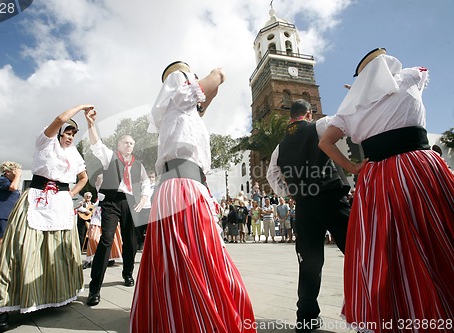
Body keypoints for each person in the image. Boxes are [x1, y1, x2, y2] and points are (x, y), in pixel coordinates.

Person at [318, 48, 454, 332]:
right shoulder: (409, 79)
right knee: (436, 233)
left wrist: (354, 167)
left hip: (380, 176)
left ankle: (401, 307)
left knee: (387, 245)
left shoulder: (350, 106)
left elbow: (326, 143)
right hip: (419, 167)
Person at [130, 61, 255, 332]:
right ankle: (194, 317)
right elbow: (213, 82)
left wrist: (209, 88)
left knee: (188, 257)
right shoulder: (178, 83)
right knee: (197, 255)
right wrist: (217, 72)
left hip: (185, 185)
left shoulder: (183, 115)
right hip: (182, 185)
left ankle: (182, 315)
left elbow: (203, 103)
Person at [0, 105, 92, 330]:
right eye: (67, 132)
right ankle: (5, 306)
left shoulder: (73, 154)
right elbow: (58, 118)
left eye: (74, 134)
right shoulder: (45, 142)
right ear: (58, 132)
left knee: (61, 250)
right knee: (22, 248)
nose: (70, 137)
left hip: (61, 203)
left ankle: (53, 295)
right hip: (36, 198)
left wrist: (70, 194)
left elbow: (83, 177)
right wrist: (81, 107)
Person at [267, 99, 350, 332]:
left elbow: (271, 174)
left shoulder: (280, 147)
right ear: (309, 113)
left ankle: (306, 318)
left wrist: (290, 193)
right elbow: (347, 122)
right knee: (357, 251)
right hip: (331, 199)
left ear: (291, 117)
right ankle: (372, 310)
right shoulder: (320, 125)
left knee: (309, 263)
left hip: (304, 206)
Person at [84, 111, 151, 307]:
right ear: (119, 145)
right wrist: (90, 125)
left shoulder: (138, 165)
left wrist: (143, 199)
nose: (129, 145)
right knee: (106, 240)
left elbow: (146, 184)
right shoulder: (110, 157)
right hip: (111, 201)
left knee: (131, 241)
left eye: (131, 143)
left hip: (130, 202)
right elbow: (96, 144)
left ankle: (127, 273)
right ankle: (95, 288)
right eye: (125, 143)